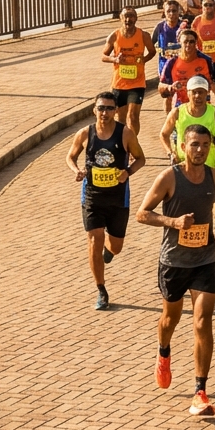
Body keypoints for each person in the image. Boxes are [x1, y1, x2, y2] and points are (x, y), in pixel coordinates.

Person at [136, 123, 215, 415]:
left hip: (205, 260)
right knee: (170, 319)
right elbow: (142, 214)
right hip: (174, 261)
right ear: (183, 146)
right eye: (194, 144)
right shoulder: (169, 177)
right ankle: (164, 352)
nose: (200, 150)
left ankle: (200, 390)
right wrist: (173, 223)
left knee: (202, 321)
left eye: (205, 145)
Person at [65, 91, 146, 310]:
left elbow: (141, 159)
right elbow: (70, 156)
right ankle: (101, 289)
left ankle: (109, 252)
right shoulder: (85, 134)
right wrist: (77, 170)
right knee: (95, 239)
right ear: (94, 110)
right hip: (92, 197)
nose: (105, 112)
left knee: (116, 246)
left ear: (115, 110)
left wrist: (128, 172)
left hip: (118, 198)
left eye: (109, 108)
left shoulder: (125, 133)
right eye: (101, 108)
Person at [158, 75, 215, 169]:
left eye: (201, 92)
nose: (197, 96)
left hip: (208, 168)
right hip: (184, 167)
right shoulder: (177, 112)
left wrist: (212, 139)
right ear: (188, 93)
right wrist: (170, 153)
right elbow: (163, 134)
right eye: (194, 92)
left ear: (207, 93)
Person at [101, 5, 156, 135]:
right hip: (119, 83)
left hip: (137, 82)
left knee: (133, 116)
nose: (128, 19)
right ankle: (123, 142)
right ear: (121, 18)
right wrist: (115, 59)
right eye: (125, 16)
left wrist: (144, 60)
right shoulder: (114, 36)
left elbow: (152, 51)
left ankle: (133, 142)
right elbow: (103, 56)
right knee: (121, 117)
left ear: (136, 18)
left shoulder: (143, 35)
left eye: (131, 16)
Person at [158, 29, 215, 107]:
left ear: (196, 43)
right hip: (180, 105)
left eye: (191, 42)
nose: (188, 44)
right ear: (180, 43)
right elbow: (161, 87)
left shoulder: (206, 60)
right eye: (185, 42)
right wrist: (170, 87)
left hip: (202, 105)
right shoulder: (172, 62)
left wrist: (214, 86)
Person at [152, 0, 184, 114]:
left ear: (179, 12)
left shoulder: (183, 26)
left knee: (182, 93)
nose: (171, 14)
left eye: (174, 11)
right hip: (165, 66)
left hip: (181, 65)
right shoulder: (160, 27)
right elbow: (151, 44)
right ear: (164, 12)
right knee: (168, 95)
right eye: (168, 11)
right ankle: (168, 119)